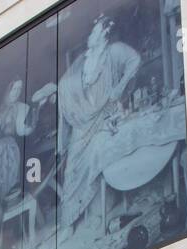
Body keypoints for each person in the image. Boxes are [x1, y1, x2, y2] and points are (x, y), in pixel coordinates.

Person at [53, 15, 141, 237]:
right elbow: (67, 82)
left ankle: (97, 212)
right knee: (72, 168)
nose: (89, 36)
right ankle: (68, 222)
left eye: (94, 32)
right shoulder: (84, 58)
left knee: (98, 157)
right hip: (84, 123)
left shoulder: (114, 51)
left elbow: (136, 60)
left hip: (104, 117)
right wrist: (60, 93)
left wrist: (119, 87)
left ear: (103, 33)